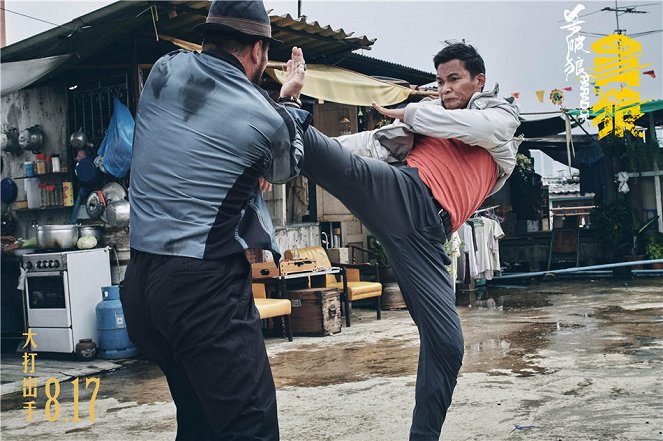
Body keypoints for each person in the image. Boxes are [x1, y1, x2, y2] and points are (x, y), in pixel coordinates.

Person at [294, 43, 522, 440]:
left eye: (454, 79)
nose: (445, 89)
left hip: (429, 240)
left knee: (447, 345)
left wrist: (415, 111)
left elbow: (485, 129)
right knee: (331, 159)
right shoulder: (423, 124)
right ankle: (286, 115)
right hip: (406, 193)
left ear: (478, 81)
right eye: (440, 81)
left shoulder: (497, 117)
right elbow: (361, 146)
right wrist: (298, 151)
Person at [120, 1, 310, 439]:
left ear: (206, 37)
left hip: (142, 286)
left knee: (199, 422)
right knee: (251, 426)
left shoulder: (163, 72)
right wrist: (290, 97)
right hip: (201, 292)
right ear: (259, 50)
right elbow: (283, 168)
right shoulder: (265, 118)